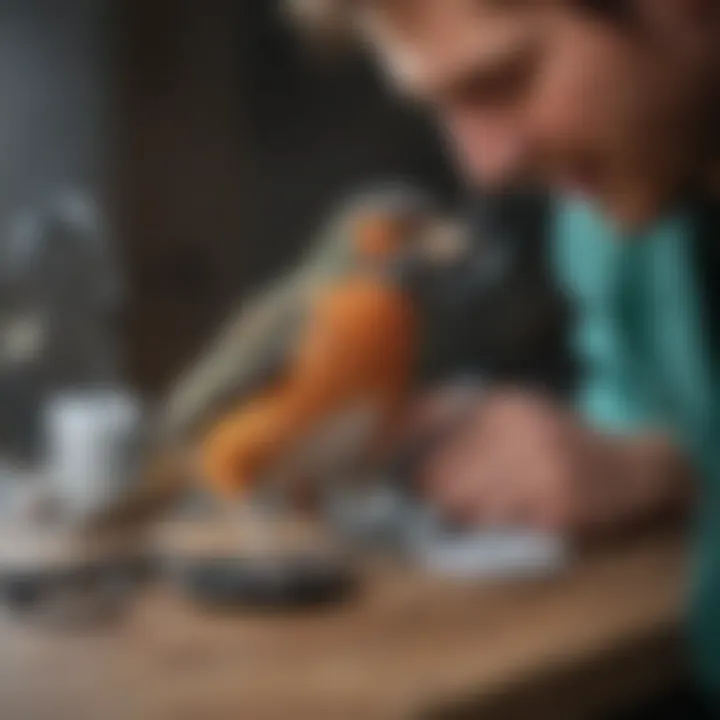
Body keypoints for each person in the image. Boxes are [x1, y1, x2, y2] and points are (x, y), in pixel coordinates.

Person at [288, 0, 720, 710]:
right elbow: (648, 406)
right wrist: (649, 467)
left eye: (505, 81)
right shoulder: (616, 206)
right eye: (442, 105)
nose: (484, 168)